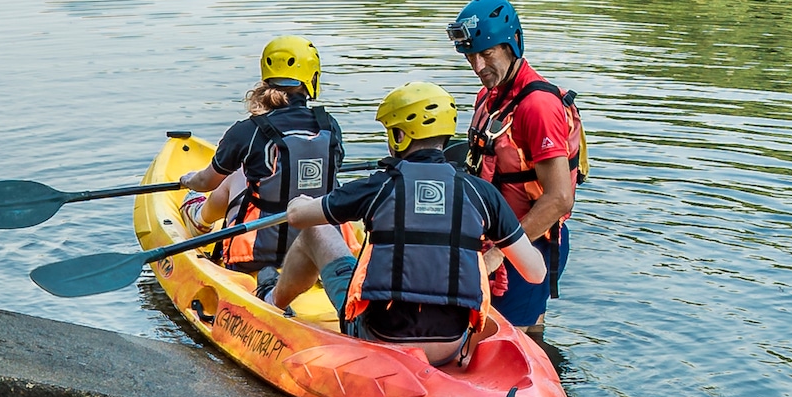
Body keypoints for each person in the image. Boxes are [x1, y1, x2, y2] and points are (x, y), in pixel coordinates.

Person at [264, 82, 546, 366]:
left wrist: (298, 201)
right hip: (451, 345)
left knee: (316, 229)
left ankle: (271, 302)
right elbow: (535, 273)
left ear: (399, 136)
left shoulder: (378, 186)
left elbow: (299, 217)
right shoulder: (482, 193)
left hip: (380, 337)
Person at [446, 0, 587, 333]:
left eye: (487, 54)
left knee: (507, 347)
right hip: (495, 240)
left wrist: (500, 253)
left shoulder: (537, 106)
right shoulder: (490, 97)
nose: (478, 67)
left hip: (528, 244)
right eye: (471, 56)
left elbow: (559, 198)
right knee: (527, 338)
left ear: (511, 45)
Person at [174, 35, 344, 275]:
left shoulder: (248, 131)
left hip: (257, 255)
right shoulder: (330, 127)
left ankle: (199, 218)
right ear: (312, 78)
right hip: (323, 250)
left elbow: (205, 183)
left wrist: (187, 180)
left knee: (239, 173)